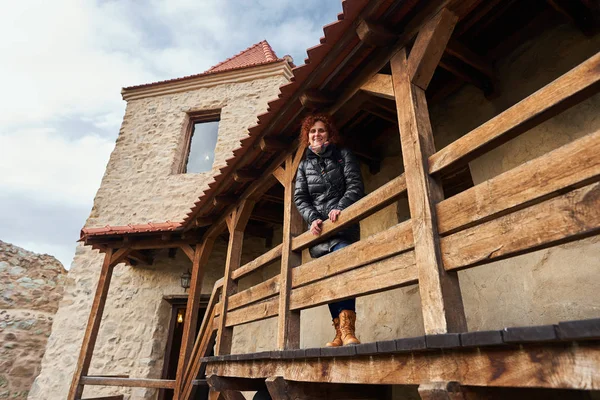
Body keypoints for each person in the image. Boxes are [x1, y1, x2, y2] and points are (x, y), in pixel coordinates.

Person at [294, 113, 365, 347]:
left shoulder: (343, 156)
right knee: (328, 283)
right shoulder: (304, 166)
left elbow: (355, 184)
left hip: (342, 228)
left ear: (329, 133)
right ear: (307, 136)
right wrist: (313, 218)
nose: (317, 134)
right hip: (319, 235)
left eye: (321, 130)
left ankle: (348, 330)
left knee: (343, 274)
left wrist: (340, 207)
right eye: (312, 131)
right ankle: (338, 332)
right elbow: (301, 198)